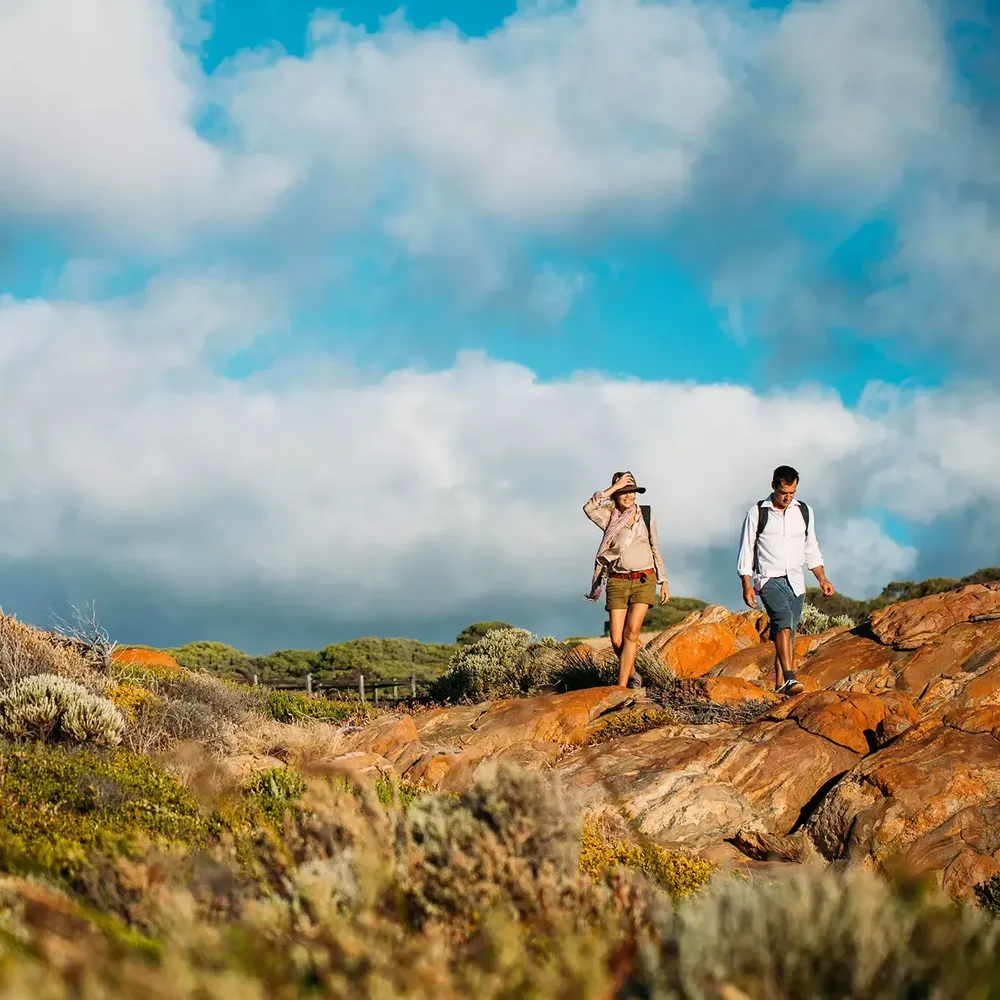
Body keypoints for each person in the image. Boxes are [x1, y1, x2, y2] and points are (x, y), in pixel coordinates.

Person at [737, 465, 835, 696]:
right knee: (782, 619)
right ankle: (791, 678)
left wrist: (822, 578)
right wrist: (747, 584)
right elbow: (746, 549)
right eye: (784, 493)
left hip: (796, 581)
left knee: (789, 631)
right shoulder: (758, 512)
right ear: (773, 486)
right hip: (768, 578)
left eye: (792, 493)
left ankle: (781, 685)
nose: (787, 498)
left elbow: (811, 548)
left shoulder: (804, 511)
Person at [584, 471, 670, 687]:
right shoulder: (608, 516)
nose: (628, 496)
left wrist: (663, 579)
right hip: (617, 581)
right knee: (616, 639)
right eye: (623, 492)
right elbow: (588, 508)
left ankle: (621, 687)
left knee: (631, 632)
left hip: (644, 579)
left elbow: (654, 547)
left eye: (631, 491)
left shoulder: (646, 514)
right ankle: (632, 672)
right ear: (615, 495)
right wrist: (612, 488)